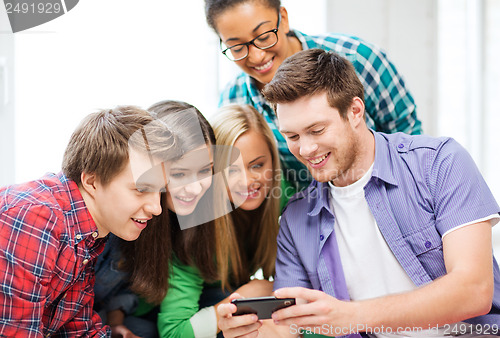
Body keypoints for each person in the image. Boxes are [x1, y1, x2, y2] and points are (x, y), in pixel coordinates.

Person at [217, 48, 500, 338]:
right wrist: (245, 331)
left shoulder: (439, 163)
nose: (305, 149)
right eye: (292, 136)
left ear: (355, 111)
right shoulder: (296, 219)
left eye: (316, 130)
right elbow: (290, 327)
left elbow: (474, 290)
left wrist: (353, 316)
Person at [94, 101, 279, 338]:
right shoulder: (132, 216)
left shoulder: (189, 223)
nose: (193, 188)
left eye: (205, 171)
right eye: (180, 173)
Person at [205, 0, 423, 192]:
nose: (257, 55)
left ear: (283, 18)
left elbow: (408, 137)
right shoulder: (234, 102)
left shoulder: (360, 58)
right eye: (236, 48)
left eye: (263, 37)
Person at [0, 106, 177, 337]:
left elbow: (79, 329)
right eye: (141, 189)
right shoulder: (37, 218)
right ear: (92, 181)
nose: (156, 208)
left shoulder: (88, 234)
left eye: (160, 191)